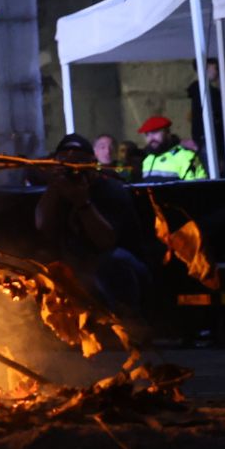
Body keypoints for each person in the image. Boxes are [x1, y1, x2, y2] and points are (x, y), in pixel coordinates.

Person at [34, 133, 156, 324]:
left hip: (123, 267)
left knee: (113, 261)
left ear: (91, 163)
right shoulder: (58, 190)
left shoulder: (111, 189)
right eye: (65, 165)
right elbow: (42, 225)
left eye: (77, 164)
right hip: (78, 264)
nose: (73, 172)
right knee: (41, 261)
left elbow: (106, 242)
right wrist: (55, 186)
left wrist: (83, 203)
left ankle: (128, 323)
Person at [137, 114, 204, 181]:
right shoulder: (147, 160)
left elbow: (197, 187)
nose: (151, 138)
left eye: (155, 132)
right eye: (147, 134)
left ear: (167, 132)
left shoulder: (186, 156)